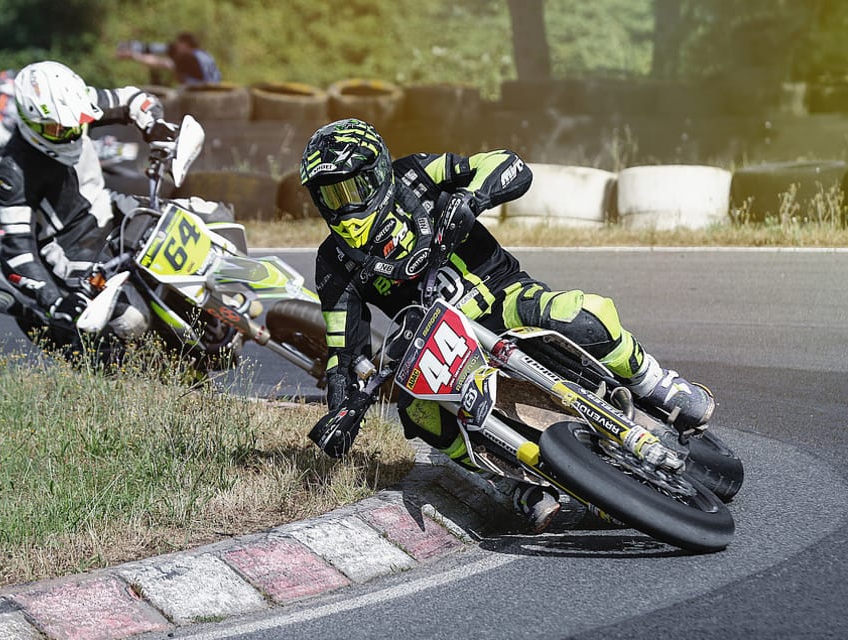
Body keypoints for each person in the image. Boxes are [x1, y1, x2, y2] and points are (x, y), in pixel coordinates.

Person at [299, 118, 715, 533]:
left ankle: (653, 383)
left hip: (503, 296)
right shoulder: (333, 263)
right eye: (330, 195)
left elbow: (507, 164)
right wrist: (342, 412)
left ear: (379, 173)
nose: (345, 206)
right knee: (417, 411)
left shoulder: (417, 173)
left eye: (353, 188)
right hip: (443, 347)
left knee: (579, 313)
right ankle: (508, 482)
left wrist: (472, 197)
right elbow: (342, 353)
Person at [0, 60, 174, 342]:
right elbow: (17, 250)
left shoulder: (77, 104)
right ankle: (134, 363)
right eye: (56, 128)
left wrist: (154, 125)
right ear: (30, 121)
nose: (69, 133)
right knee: (132, 319)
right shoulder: (13, 171)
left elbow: (134, 99)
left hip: (109, 207)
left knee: (189, 217)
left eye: (75, 124)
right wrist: (52, 301)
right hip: (71, 248)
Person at [117, 32, 221, 86]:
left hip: (200, 94)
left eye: (178, 45)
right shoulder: (204, 54)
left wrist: (134, 55)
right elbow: (159, 48)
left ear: (184, 44)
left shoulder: (188, 58)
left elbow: (161, 63)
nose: (176, 48)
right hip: (214, 89)